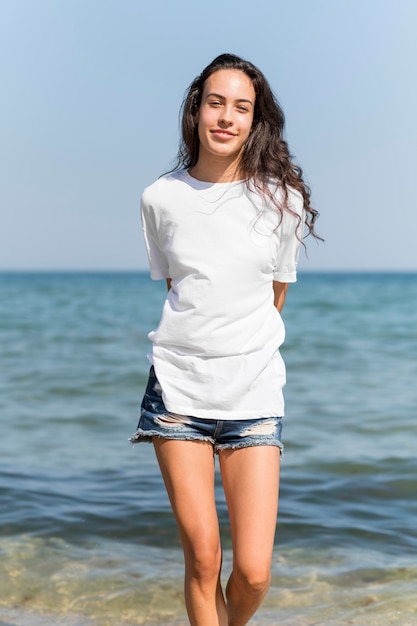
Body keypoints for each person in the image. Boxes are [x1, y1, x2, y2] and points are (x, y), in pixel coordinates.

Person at [130, 53, 320, 626]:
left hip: (254, 394)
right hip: (178, 391)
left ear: (255, 120)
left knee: (255, 572)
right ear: (197, 110)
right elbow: (180, 285)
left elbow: (273, 295)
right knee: (203, 558)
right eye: (216, 102)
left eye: (242, 107)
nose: (226, 117)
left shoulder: (281, 201)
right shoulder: (159, 198)